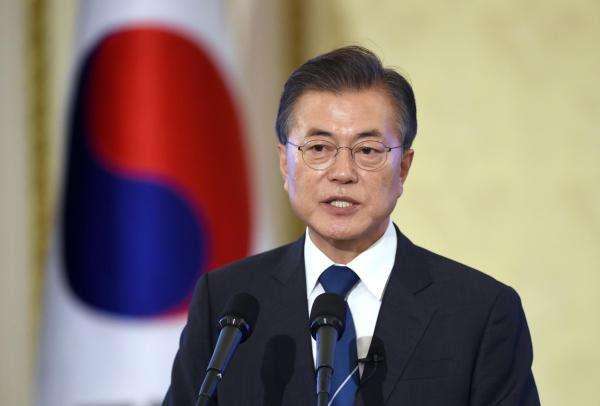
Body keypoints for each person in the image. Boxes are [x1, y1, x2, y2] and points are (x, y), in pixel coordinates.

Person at [163, 46, 540, 405]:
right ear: (284, 163)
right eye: (318, 148)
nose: (342, 172)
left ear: (403, 167)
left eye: (368, 150)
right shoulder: (227, 303)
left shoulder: (480, 312)